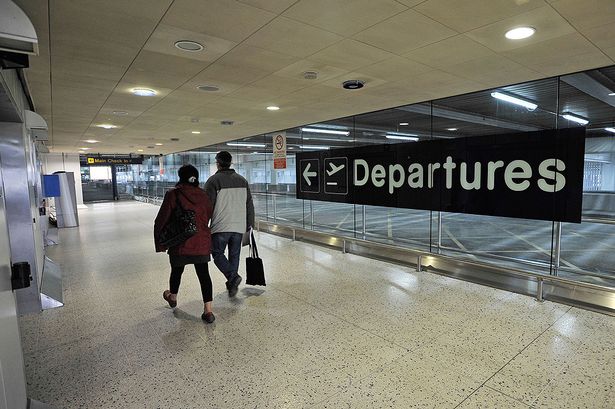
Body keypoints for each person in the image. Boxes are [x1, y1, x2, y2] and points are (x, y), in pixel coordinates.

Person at [154, 165, 216, 323]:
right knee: (204, 275)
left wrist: (160, 244)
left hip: (180, 242)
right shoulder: (203, 195)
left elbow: (161, 219)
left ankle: (172, 297)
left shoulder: (173, 194)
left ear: (180, 177)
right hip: (201, 241)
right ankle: (208, 311)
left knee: (176, 271)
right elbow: (208, 214)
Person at [205, 151, 255, 297]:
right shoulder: (242, 180)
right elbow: (249, 205)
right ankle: (232, 285)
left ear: (218, 163)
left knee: (217, 253)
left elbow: (207, 206)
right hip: (239, 226)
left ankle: (232, 277)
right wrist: (249, 224)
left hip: (221, 226)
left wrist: (204, 225)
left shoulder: (213, 181)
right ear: (230, 162)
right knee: (234, 255)